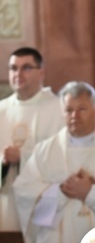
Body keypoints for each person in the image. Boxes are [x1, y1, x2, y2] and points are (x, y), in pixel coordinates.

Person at [13, 81, 95, 243]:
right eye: (69, 110)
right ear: (62, 113)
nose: (74, 115)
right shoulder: (45, 151)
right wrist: (60, 191)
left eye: (82, 109)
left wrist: (91, 192)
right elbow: (24, 191)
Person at [0, 47, 64, 230]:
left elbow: (63, 157)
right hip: (6, 201)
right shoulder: (1, 110)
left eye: (26, 67)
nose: (18, 73)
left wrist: (24, 157)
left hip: (44, 201)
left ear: (41, 72)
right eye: (13, 68)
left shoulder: (59, 110)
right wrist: (2, 162)